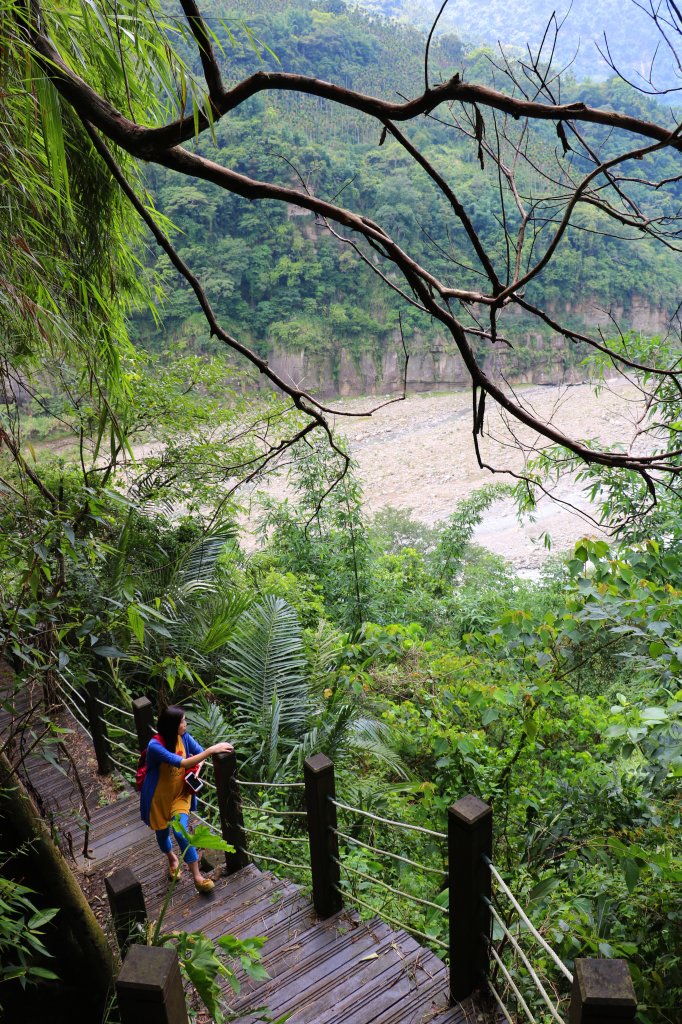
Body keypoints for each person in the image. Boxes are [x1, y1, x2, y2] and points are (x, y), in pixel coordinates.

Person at [139, 705, 233, 893]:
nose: (186, 724)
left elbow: (198, 756)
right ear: (172, 725)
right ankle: (172, 858)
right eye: (182, 721)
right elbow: (182, 762)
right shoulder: (155, 746)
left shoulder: (185, 738)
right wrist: (211, 749)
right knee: (162, 834)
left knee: (181, 833)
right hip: (158, 799)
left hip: (180, 794)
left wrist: (199, 765)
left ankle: (198, 877)